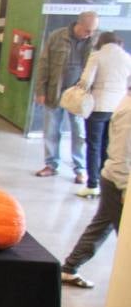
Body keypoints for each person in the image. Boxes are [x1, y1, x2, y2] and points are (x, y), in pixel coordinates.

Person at [61, 92, 131, 290]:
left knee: (101, 225)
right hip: (119, 183)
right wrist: (125, 188)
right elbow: (122, 157)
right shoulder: (129, 112)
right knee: (125, 239)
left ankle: (70, 267)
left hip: (114, 181)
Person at [34, 10, 99, 178]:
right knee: (51, 130)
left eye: (93, 31)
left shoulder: (95, 41)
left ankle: (80, 169)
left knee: (79, 132)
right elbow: (44, 64)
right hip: (55, 91)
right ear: (79, 24)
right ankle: (50, 164)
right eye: (87, 30)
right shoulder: (57, 36)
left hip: (79, 96)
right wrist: (40, 90)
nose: (89, 34)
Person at [74, 32, 131, 198]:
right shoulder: (127, 57)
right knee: (109, 145)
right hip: (119, 107)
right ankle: (106, 181)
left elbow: (85, 81)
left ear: (101, 42)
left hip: (99, 106)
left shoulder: (97, 56)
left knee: (93, 144)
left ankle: (92, 184)